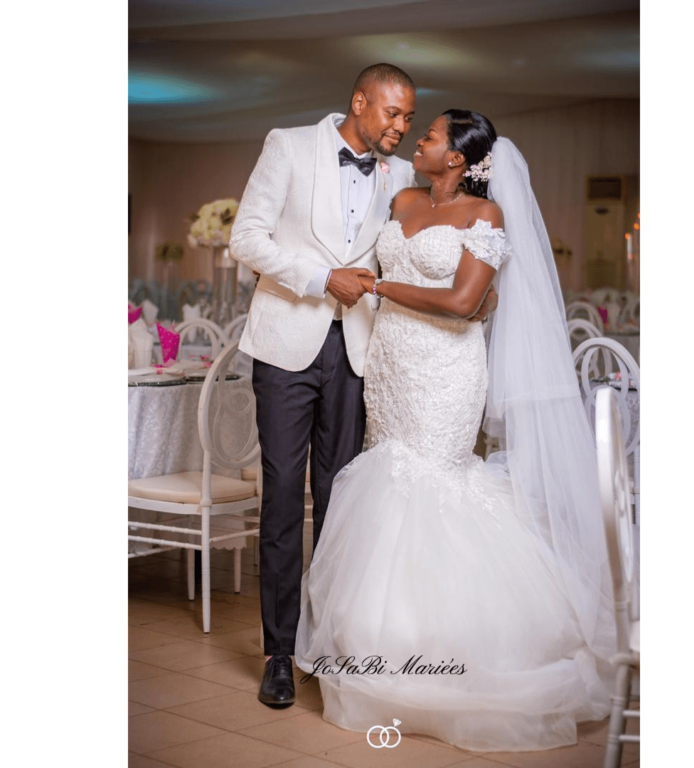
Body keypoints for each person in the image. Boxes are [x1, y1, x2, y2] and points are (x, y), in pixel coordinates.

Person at [295, 110, 618, 752]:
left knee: (429, 482)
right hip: (389, 363)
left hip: (446, 369)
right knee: (385, 478)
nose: (421, 139)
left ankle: (450, 646)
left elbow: (465, 302)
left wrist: (383, 286)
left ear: (459, 159)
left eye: (433, 135)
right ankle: (379, 643)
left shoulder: (484, 217)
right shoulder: (403, 196)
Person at [229, 66, 496, 708]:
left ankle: (335, 643)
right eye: (393, 115)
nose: (401, 129)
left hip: (363, 353)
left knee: (345, 500)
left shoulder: (404, 177)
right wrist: (323, 277)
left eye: (410, 120)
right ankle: (280, 654)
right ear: (359, 102)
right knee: (284, 499)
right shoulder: (287, 146)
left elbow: (451, 244)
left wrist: (477, 302)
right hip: (286, 344)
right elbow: (246, 238)